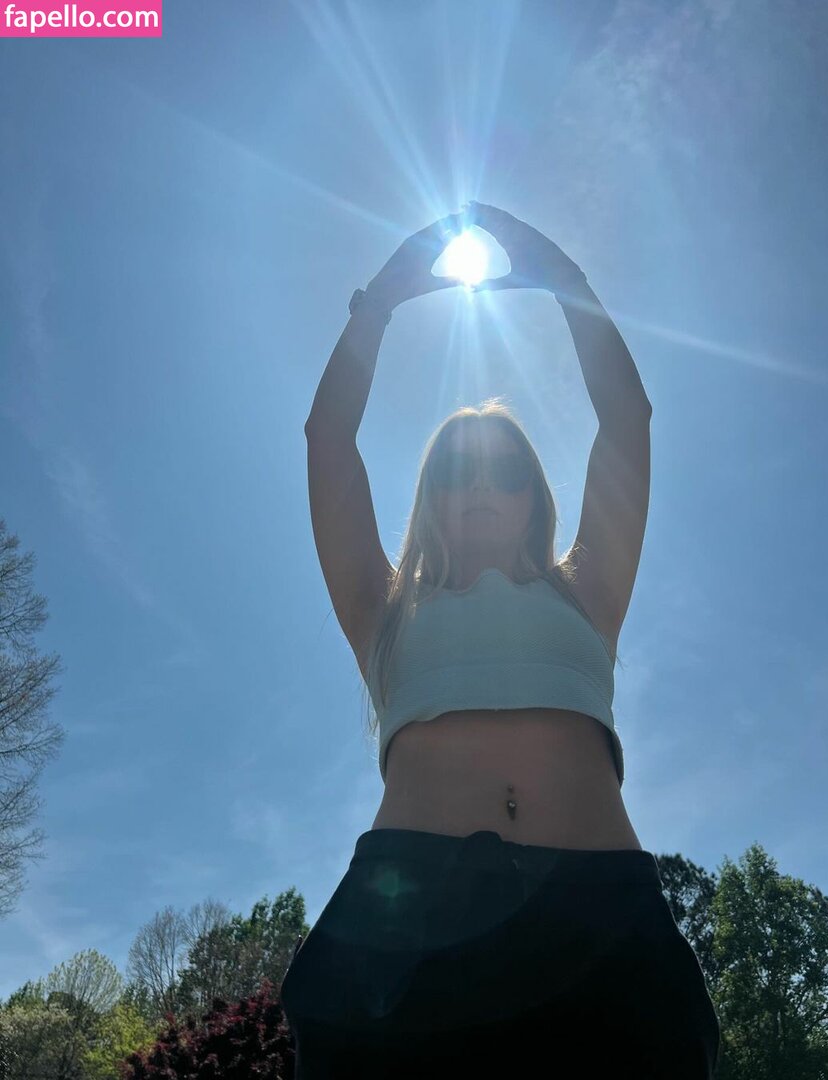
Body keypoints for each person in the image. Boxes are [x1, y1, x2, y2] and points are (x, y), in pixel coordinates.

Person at [281, 202, 721, 1078]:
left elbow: (627, 418)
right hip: (405, 929)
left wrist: (567, 282)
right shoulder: (384, 610)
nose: (482, 486)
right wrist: (378, 305)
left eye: (506, 470)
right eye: (458, 469)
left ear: (533, 496)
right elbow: (327, 439)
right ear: (430, 495)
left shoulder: (587, 593)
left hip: (601, 920)